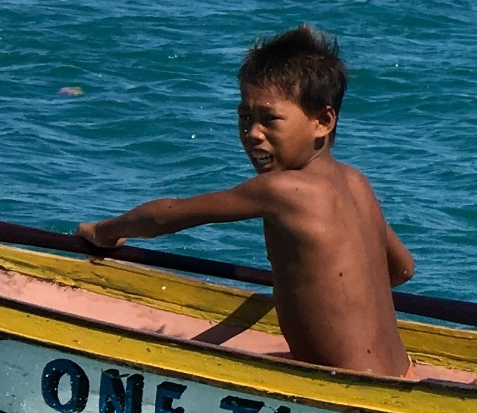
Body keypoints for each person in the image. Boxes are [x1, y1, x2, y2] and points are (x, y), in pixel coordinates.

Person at [78, 25, 415, 377]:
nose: (253, 134)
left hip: (350, 391)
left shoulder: (282, 190)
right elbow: (402, 269)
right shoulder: (356, 181)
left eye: (270, 120)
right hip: (398, 372)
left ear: (323, 121)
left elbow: (169, 215)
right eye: (244, 118)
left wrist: (105, 231)